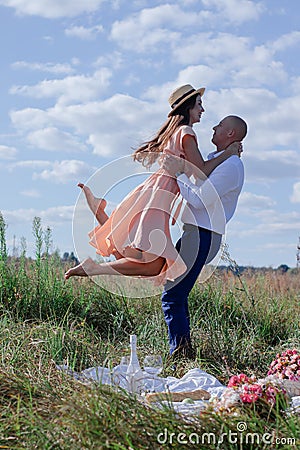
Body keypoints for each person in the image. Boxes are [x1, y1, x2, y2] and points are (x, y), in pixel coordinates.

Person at [65, 84, 240, 282]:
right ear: (188, 107)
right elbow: (202, 173)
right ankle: (93, 265)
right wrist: (228, 153)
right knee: (151, 263)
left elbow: (194, 171)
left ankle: (101, 220)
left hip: (157, 191)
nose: (203, 109)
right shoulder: (186, 133)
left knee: (150, 261)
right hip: (160, 196)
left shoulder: (177, 131)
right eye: (199, 104)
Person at [160, 114, 247, 358]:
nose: (214, 127)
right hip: (196, 234)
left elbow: (199, 199)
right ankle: (181, 351)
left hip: (202, 236)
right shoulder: (221, 160)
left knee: (173, 294)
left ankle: (180, 355)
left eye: (219, 126)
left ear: (230, 134)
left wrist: (178, 174)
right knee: (174, 290)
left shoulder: (231, 167)